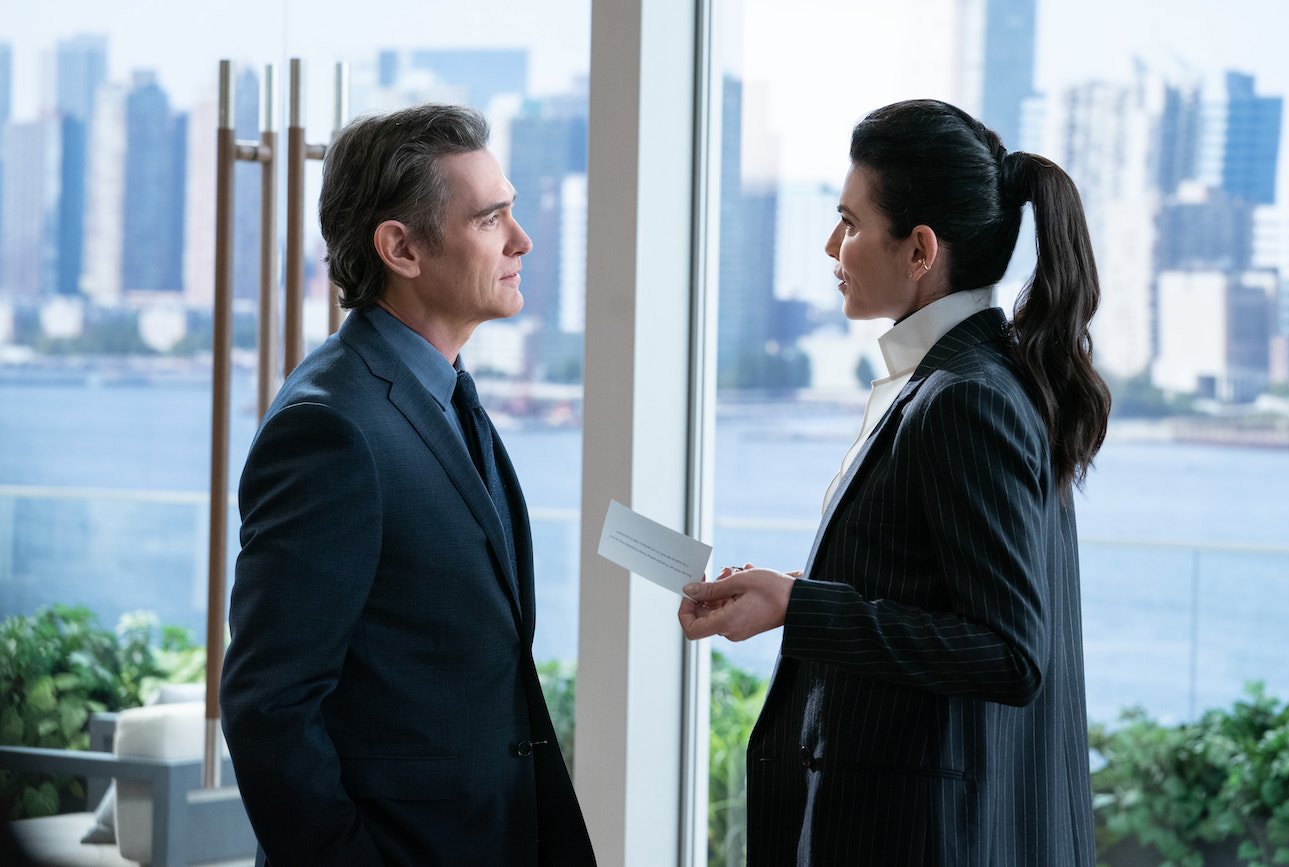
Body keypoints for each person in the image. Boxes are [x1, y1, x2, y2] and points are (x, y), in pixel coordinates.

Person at [679, 99, 1109, 865]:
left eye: (849, 222)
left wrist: (803, 608)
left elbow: (1009, 651)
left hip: (920, 836)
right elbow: (935, 588)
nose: (830, 245)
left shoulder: (966, 396)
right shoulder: (963, 380)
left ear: (920, 250)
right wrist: (789, 594)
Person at [220, 103, 596, 867]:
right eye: (492, 220)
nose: (523, 241)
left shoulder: (443, 392)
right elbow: (270, 706)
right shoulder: (331, 429)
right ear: (401, 247)